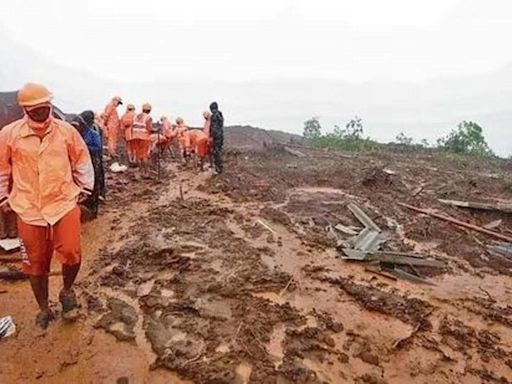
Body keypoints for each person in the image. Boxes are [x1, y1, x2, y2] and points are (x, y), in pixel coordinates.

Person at [0, 83, 94, 329]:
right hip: (28, 206)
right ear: (25, 109)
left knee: (72, 252)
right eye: (36, 109)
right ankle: (43, 308)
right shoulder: (10, 134)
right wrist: (3, 198)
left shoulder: (65, 132)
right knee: (35, 263)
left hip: (63, 201)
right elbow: (2, 168)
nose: (42, 112)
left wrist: (85, 188)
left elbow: (81, 158)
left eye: (45, 107)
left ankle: (67, 291)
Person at [72, 115, 102, 218]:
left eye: (77, 126)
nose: (76, 128)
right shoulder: (74, 135)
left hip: (93, 161)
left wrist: (84, 147)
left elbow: (98, 147)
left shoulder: (93, 134)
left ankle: (93, 212)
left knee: (93, 185)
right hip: (79, 163)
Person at [131, 103, 153, 176]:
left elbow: (132, 126)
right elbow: (149, 128)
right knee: (144, 155)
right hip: (144, 137)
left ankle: (140, 171)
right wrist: (155, 130)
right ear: (149, 110)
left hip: (135, 137)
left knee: (138, 155)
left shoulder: (135, 116)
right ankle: (146, 172)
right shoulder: (148, 117)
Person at [209, 102, 224, 173]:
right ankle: (219, 167)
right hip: (220, 135)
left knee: (216, 152)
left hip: (216, 137)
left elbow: (214, 128)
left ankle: (218, 168)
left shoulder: (214, 116)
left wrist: (211, 136)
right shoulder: (220, 115)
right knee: (219, 151)